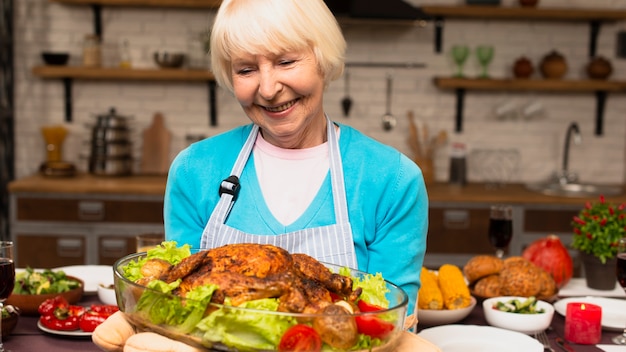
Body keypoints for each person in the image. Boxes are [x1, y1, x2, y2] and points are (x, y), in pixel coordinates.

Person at [93, 0, 428, 350]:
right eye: (246, 69)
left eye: (286, 61)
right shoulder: (195, 169)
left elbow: (388, 323)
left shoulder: (392, 180)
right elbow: (177, 308)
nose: (267, 89)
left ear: (324, 60)